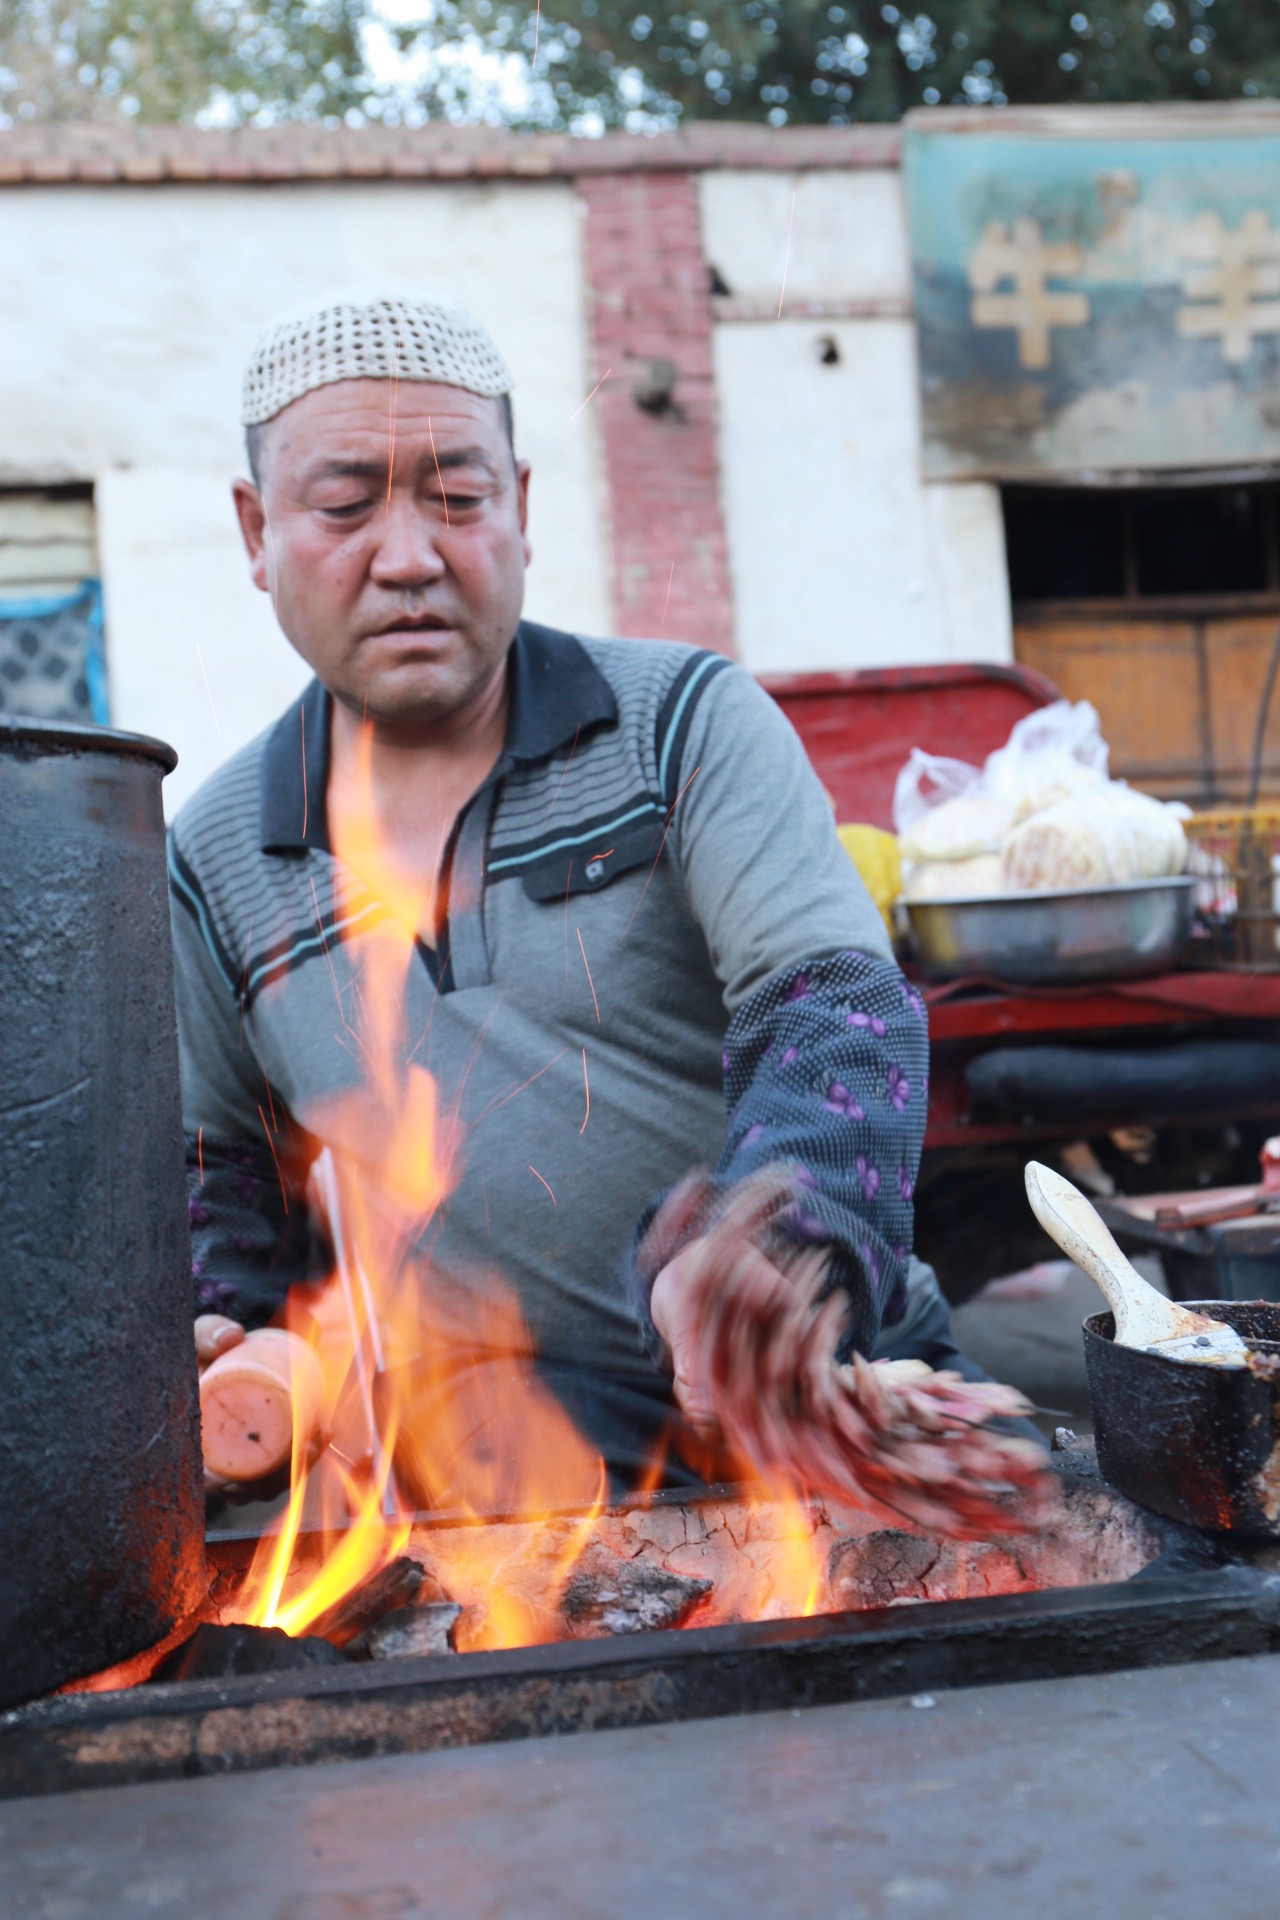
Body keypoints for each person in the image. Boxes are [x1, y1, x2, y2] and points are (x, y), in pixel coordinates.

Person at [174, 290, 979, 1502]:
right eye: (344, 507)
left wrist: (768, 1255)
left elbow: (832, 1008)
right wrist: (222, 1340)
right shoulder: (215, 858)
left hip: (825, 1409)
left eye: (457, 496)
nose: (409, 557)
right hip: (514, 1486)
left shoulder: (680, 725)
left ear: (522, 507)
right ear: (254, 532)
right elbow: (215, 1177)